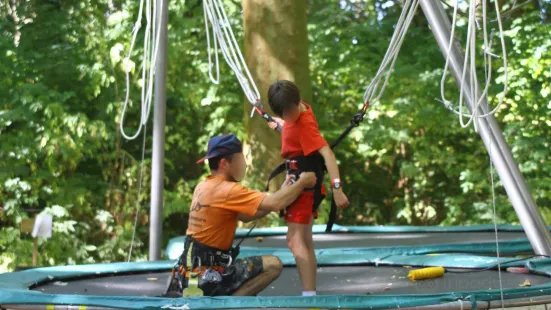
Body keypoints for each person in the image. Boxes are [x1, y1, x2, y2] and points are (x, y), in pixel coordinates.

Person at [167, 134, 317, 297]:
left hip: (188, 274)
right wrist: (303, 182)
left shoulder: (204, 186)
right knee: (273, 265)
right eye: (241, 158)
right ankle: (230, 304)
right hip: (208, 276)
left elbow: (247, 215)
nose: (244, 164)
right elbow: (276, 203)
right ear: (225, 163)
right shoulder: (228, 190)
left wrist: (283, 193)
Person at [267, 80, 350, 297]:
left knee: (295, 240)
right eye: (283, 114)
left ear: (297, 103)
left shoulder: (304, 125)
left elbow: (328, 155)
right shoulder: (299, 111)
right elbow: (294, 130)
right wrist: (282, 126)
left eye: (289, 112)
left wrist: (337, 188)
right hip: (304, 185)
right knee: (304, 239)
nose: (287, 117)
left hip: (303, 186)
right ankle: (310, 293)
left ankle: (309, 295)